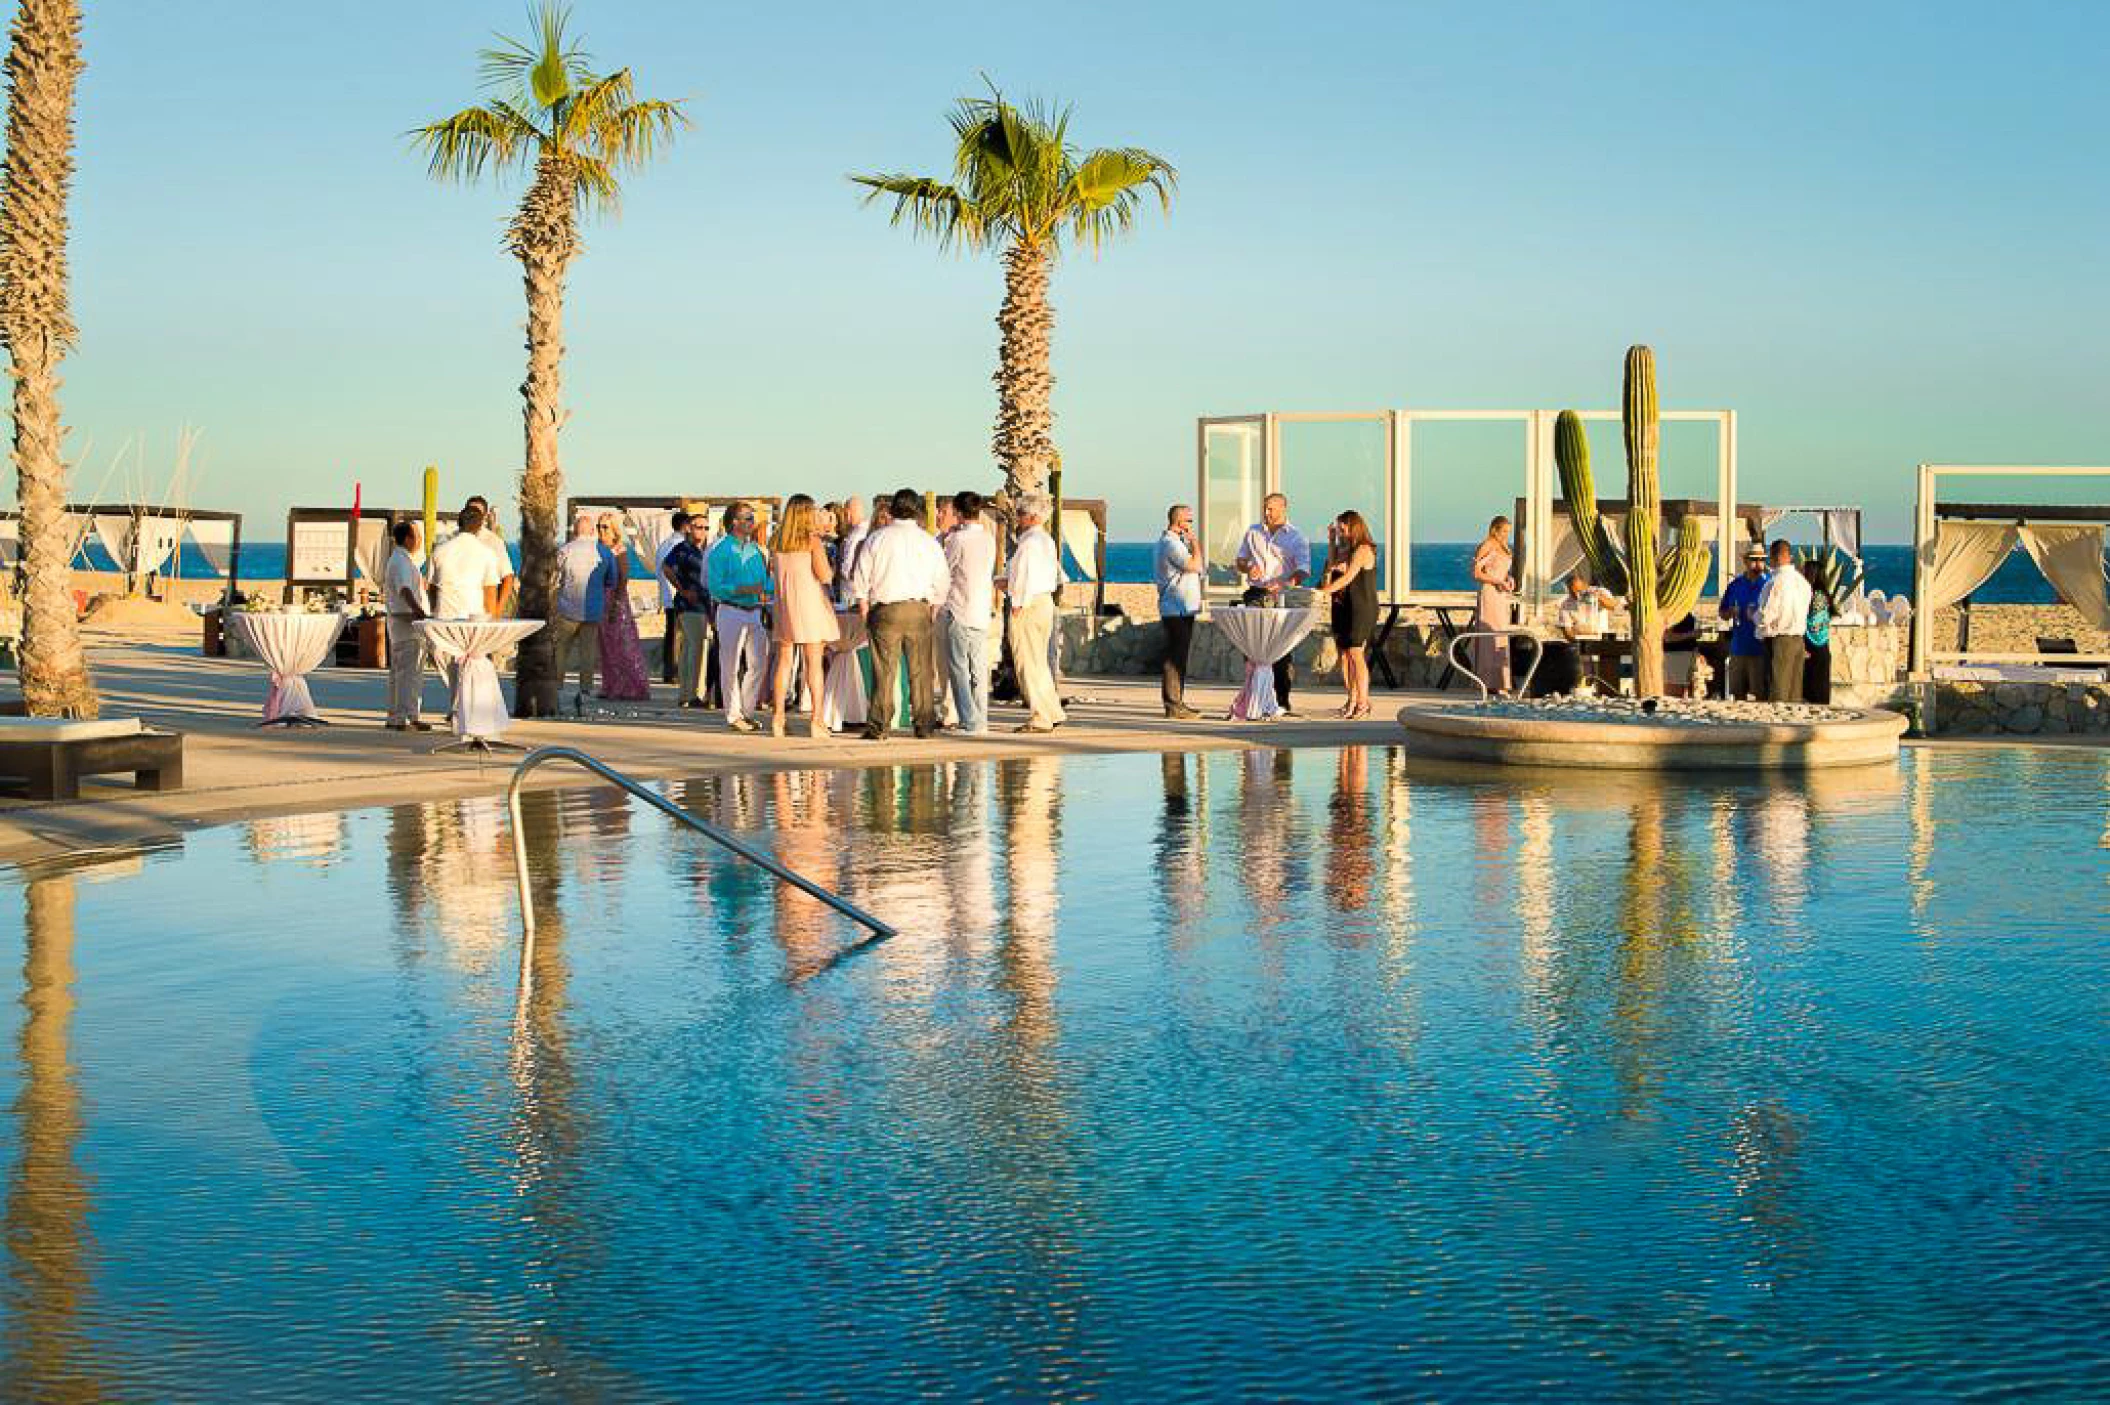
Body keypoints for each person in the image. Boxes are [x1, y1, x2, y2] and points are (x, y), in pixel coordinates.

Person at [849, 487, 948, 740]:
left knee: (884, 670)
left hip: (885, 609)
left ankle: (879, 725)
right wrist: (934, 608)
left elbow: (861, 576)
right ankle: (924, 724)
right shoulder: (928, 541)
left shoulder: (877, 538)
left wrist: (863, 607)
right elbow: (942, 579)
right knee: (921, 671)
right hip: (918, 608)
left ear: (893, 510)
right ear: (917, 511)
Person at [767, 494, 840, 739]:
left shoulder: (776, 541)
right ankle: (817, 720)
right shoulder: (812, 541)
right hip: (810, 606)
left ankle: (778, 718)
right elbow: (825, 575)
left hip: (785, 606)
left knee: (784, 661)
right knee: (814, 664)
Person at [1235, 493, 1310, 716]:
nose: (1266, 513)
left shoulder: (1296, 537)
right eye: (1265, 508)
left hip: (1282, 596)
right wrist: (1248, 568)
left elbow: (1303, 570)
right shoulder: (1253, 531)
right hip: (1255, 595)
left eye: (1271, 509)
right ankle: (1254, 697)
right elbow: (1239, 560)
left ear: (1283, 509)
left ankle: (1282, 701)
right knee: (1252, 648)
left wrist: (1285, 583)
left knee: (1280, 651)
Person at [707, 501, 771, 733]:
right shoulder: (720, 550)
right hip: (730, 610)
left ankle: (747, 711)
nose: (753, 523)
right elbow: (714, 586)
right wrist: (742, 589)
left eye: (753, 519)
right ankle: (733, 715)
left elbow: (765, 582)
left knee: (758, 663)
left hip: (755, 611)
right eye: (748, 519)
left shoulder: (756, 550)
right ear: (735, 522)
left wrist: (771, 590)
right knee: (730, 664)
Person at [1005, 493, 1067, 734]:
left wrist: (1017, 603)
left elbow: (1022, 576)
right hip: (1044, 602)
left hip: (1028, 604)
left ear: (1032, 517)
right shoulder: (1045, 541)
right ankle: (1051, 709)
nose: (1017, 519)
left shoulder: (1028, 543)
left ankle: (1040, 716)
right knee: (1039, 660)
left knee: (1027, 662)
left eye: (1020, 514)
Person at [941, 490, 997, 735]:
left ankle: (969, 720)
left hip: (960, 607)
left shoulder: (957, 540)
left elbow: (946, 571)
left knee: (959, 668)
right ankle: (980, 717)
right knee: (979, 669)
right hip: (981, 609)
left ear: (959, 513)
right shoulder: (989, 538)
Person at [1314, 510, 1379, 719]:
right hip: (1342, 606)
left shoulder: (1363, 549)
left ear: (1354, 527)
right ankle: (1351, 699)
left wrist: (1324, 591)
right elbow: (1332, 567)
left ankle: (1363, 702)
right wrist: (1331, 541)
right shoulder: (1344, 549)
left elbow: (1348, 577)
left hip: (1361, 606)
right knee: (1344, 655)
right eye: (1339, 530)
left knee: (1356, 654)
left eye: (1343, 529)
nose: (1341, 533)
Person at [549, 509, 616, 703]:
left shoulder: (565, 550)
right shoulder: (604, 551)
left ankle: (557, 686)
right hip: (593, 610)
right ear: (592, 531)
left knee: (561, 650)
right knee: (588, 652)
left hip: (567, 608)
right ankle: (585, 690)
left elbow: (554, 578)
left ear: (575, 531)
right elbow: (611, 579)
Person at [382, 519, 433, 731]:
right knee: (408, 672)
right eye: (417, 536)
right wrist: (418, 610)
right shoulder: (401, 562)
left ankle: (400, 714)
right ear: (408, 538)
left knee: (402, 671)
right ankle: (404, 715)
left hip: (402, 622)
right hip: (406, 623)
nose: (419, 541)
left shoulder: (402, 560)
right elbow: (404, 589)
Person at [595, 512, 651, 701]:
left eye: (605, 527)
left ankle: (633, 686)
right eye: (599, 527)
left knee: (623, 643)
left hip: (614, 598)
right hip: (600, 598)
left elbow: (624, 576)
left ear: (614, 530)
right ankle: (610, 685)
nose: (601, 531)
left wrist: (616, 602)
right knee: (605, 645)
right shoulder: (597, 548)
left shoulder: (619, 549)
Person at [1154, 503, 1203, 719]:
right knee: (1175, 657)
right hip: (1176, 606)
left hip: (1183, 607)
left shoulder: (1174, 543)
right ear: (1179, 521)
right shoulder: (1171, 544)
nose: (1191, 524)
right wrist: (1196, 544)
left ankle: (1178, 702)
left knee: (1180, 657)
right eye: (1189, 520)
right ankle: (1173, 704)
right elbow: (1194, 566)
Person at [661, 511, 712, 708]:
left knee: (690, 649)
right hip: (688, 604)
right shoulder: (683, 549)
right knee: (696, 647)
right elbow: (666, 568)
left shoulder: (704, 551)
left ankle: (686, 694)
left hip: (702, 605)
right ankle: (691, 694)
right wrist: (681, 589)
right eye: (699, 527)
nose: (703, 531)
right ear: (689, 528)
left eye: (706, 528)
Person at [1756, 538, 1813, 703]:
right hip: (1798, 640)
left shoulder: (1775, 583)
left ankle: (1776, 728)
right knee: (1794, 694)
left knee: (1778, 692)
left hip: (1780, 641)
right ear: (1790, 556)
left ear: (1773, 558)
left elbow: (1767, 615)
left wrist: (1752, 614)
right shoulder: (1803, 583)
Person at [429, 501, 502, 620]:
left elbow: (433, 589)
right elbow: (490, 593)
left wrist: (434, 613)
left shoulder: (439, 551)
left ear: (459, 523)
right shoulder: (487, 553)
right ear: (480, 526)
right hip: (473, 621)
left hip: (443, 620)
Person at [1717, 543, 1770, 700]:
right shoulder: (1735, 585)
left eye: (1762, 559)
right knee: (1737, 693)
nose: (1758, 563)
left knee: (1760, 694)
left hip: (1761, 648)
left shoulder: (1769, 584)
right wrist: (1731, 612)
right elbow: (1722, 612)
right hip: (1738, 647)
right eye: (1754, 559)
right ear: (1746, 561)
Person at [1470, 516, 1515, 693]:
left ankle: (1501, 681)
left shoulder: (1504, 547)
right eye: (1503, 531)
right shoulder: (1486, 545)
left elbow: (1503, 571)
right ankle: (1488, 682)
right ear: (1494, 529)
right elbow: (1476, 573)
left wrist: (1508, 579)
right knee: (1490, 637)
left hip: (1501, 595)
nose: (1505, 535)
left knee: (1501, 636)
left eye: (1508, 532)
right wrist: (1497, 581)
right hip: (1490, 594)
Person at [654, 509, 690, 684]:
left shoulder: (663, 544)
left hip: (667, 595)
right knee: (679, 635)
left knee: (670, 634)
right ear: (686, 526)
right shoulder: (682, 545)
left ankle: (669, 671)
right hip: (679, 594)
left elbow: (658, 571)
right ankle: (675, 671)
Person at [1801, 559, 1835, 705]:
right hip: (1817, 649)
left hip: (1815, 649)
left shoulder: (1817, 596)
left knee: (1816, 693)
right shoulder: (1818, 594)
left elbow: (1813, 623)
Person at [832, 495, 870, 608]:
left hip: (852, 593)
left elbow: (847, 567)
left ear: (848, 513)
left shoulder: (856, 534)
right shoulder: (869, 530)